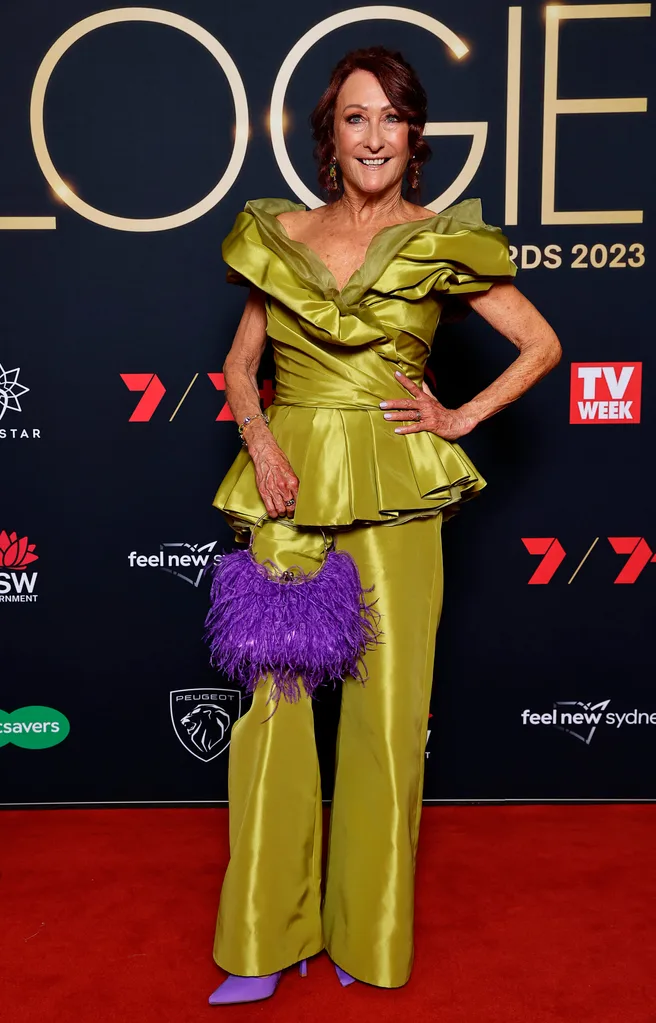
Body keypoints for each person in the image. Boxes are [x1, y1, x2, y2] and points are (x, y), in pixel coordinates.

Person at [206, 46, 561, 1005]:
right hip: (286, 490)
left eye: (391, 119)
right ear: (330, 133)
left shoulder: (441, 240)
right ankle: (264, 939)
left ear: (414, 136)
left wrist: (461, 415)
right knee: (273, 711)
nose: (373, 137)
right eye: (355, 117)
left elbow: (541, 343)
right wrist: (261, 441)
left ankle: (367, 934)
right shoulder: (280, 233)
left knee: (388, 716)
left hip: (397, 486)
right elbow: (239, 365)